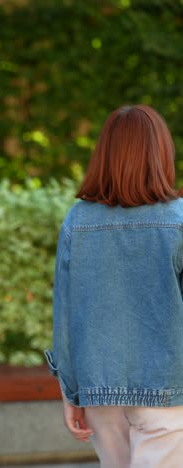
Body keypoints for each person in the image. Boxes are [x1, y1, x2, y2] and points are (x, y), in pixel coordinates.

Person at [44, 104, 183, 467]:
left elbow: (65, 316)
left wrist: (71, 392)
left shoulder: (78, 221)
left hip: (99, 391)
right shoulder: (178, 222)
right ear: (161, 154)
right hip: (169, 393)